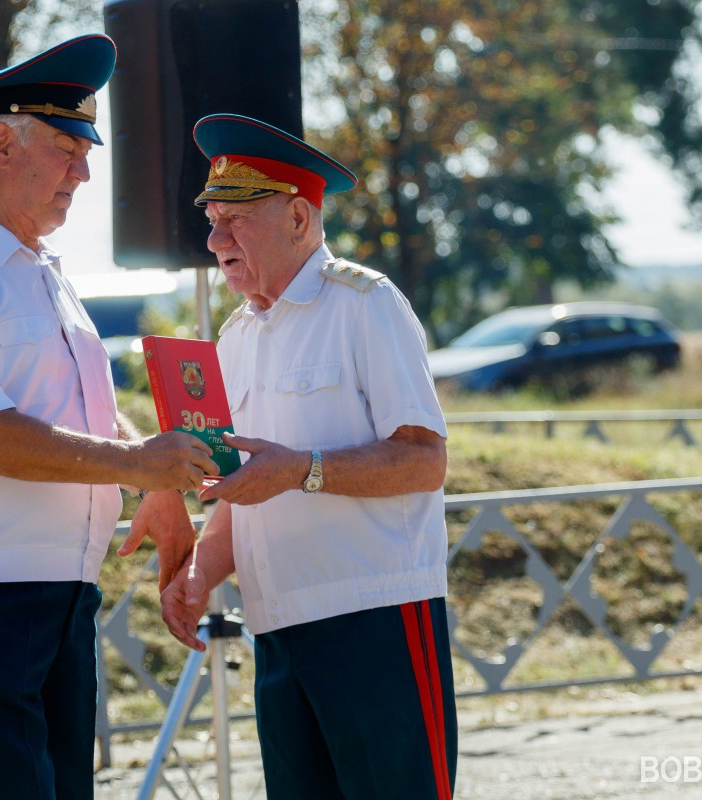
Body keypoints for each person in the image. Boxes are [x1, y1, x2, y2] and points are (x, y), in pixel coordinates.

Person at [0, 34, 216, 800]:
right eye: (67, 148)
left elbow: (78, 411)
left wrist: (151, 478)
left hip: (54, 591)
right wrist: (133, 465)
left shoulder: (42, 273)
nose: (85, 174)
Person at [159, 114, 457, 800]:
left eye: (236, 220)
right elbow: (242, 487)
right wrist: (201, 573)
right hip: (278, 629)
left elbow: (423, 462)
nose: (215, 240)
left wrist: (301, 469)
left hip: (374, 620)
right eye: (211, 220)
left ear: (299, 217)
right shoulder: (234, 338)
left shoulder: (365, 304)